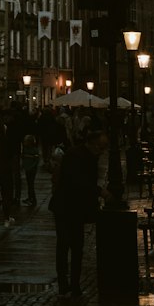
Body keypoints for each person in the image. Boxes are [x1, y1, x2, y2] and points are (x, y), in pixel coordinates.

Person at [48, 132, 100, 296]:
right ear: (92, 143)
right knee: (67, 245)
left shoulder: (84, 155)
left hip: (74, 207)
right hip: (66, 206)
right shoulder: (77, 156)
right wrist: (99, 192)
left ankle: (73, 284)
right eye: (102, 146)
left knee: (75, 246)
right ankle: (66, 284)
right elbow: (79, 181)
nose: (103, 151)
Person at [22, 123, 41, 207]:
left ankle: (32, 198)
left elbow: (36, 159)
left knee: (31, 184)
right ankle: (31, 197)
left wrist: (32, 166)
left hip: (31, 169)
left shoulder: (33, 150)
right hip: (28, 168)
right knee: (29, 184)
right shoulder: (26, 149)